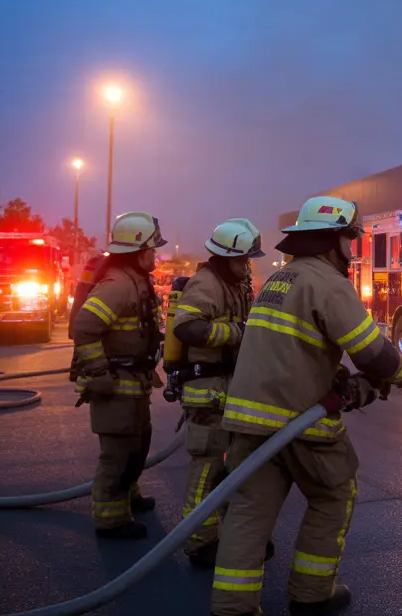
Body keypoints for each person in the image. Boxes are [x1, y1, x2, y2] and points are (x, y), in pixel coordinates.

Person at [210, 196, 402, 616]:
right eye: (349, 240)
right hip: (297, 418)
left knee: (249, 509)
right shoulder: (327, 282)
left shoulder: (280, 281)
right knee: (335, 491)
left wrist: (335, 377)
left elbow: (293, 347)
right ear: (334, 239)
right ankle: (311, 593)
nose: (352, 249)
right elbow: (371, 353)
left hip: (248, 418)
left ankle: (232, 607)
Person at [172, 218, 267, 567]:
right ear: (225, 257)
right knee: (206, 472)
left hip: (228, 389)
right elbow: (187, 327)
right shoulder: (207, 284)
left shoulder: (237, 284)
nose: (248, 266)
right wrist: (236, 332)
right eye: (244, 259)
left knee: (234, 469)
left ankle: (234, 536)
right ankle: (199, 542)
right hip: (207, 391)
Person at [69, 211, 167, 540]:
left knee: (138, 443)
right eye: (153, 250)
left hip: (134, 382)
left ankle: (130, 496)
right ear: (139, 252)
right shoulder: (117, 285)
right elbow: (85, 327)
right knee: (117, 454)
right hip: (116, 384)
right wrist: (98, 371)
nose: (156, 255)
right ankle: (111, 520)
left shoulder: (135, 280)